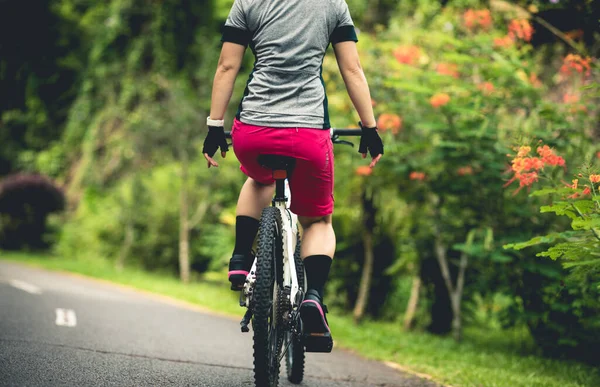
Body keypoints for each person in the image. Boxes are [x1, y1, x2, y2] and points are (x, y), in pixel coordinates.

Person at [202, 0, 383, 350]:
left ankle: (241, 258)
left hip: (253, 130)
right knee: (317, 221)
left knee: (258, 180)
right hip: (309, 133)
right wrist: (369, 127)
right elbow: (352, 69)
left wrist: (214, 126)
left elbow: (227, 66)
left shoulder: (247, 3)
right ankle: (313, 296)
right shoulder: (333, 5)